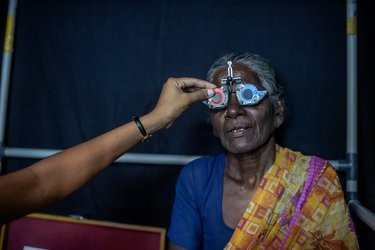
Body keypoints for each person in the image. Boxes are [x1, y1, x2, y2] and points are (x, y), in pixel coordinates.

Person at [167, 53, 359, 249]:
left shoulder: (316, 182)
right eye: (220, 99)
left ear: (278, 110)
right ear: (213, 123)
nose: (233, 110)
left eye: (248, 95)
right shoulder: (197, 179)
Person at [0, 77, 215, 224]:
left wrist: (154, 120)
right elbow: (40, 183)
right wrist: (154, 120)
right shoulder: (195, 178)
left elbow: (41, 182)